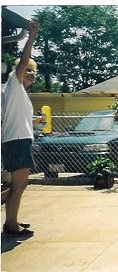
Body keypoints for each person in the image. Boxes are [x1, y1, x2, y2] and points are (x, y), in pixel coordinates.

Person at [1, 19, 43, 237]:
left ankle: (11, 221)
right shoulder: (14, 85)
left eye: (33, 71)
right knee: (19, 185)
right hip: (17, 141)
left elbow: (15, 118)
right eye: (28, 70)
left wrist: (34, 122)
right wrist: (31, 36)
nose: (31, 74)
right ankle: (10, 224)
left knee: (21, 185)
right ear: (19, 71)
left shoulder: (17, 93)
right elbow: (23, 59)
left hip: (18, 139)